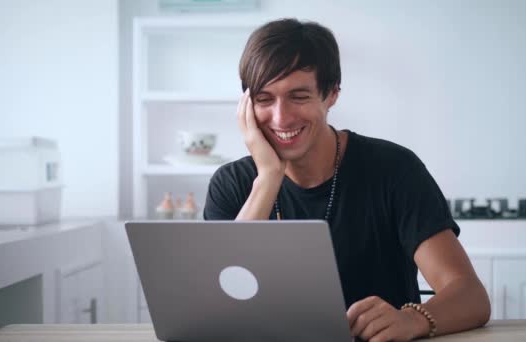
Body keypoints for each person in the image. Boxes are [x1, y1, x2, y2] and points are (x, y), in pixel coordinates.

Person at [204, 18, 490, 341]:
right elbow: (220, 308)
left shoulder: (394, 170)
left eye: (299, 96)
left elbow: (470, 296)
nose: (281, 117)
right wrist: (269, 177)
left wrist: (412, 320)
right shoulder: (231, 184)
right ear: (246, 104)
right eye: (264, 99)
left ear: (332, 94)